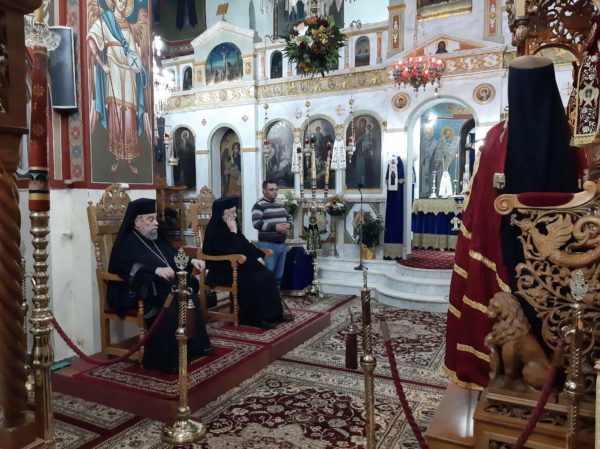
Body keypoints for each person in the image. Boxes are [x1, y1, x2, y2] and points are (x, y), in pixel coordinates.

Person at [444, 55, 580, 389]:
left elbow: (479, 207)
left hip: (508, 247)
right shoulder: (571, 138)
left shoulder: (498, 138)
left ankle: (516, 374)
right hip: (555, 253)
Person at [107, 198, 214, 374]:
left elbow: (171, 255)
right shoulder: (127, 242)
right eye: (151, 219)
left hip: (159, 286)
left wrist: (190, 261)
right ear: (137, 222)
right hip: (136, 292)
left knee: (188, 288)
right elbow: (125, 267)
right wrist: (155, 270)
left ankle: (195, 346)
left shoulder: (154, 237)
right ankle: (167, 358)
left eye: (155, 218)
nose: (156, 223)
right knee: (169, 296)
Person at [202, 196, 293, 329]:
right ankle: (253, 319)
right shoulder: (215, 230)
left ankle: (274, 314)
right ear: (222, 214)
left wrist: (258, 256)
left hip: (238, 265)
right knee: (256, 279)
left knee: (268, 275)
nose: (235, 215)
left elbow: (244, 244)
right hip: (222, 269)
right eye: (232, 213)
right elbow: (231, 250)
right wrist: (233, 232)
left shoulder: (232, 225)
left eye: (235, 212)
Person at [87, 0, 152, 175]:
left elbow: (134, 53)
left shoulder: (129, 26)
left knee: (129, 111)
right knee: (116, 109)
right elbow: (91, 38)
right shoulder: (106, 20)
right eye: (120, 0)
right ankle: (116, 155)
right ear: (114, 2)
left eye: (125, 1)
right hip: (114, 67)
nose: (122, 4)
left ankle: (129, 157)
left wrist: (139, 68)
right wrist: (102, 64)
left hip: (129, 72)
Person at [252, 180, 293, 286]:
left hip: (282, 245)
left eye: (276, 189)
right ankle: (265, 296)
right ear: (264, 191)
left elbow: (290, 218)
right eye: (271, 189)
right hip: (268, 245)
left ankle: (275, 296)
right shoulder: (258, 205)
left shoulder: (280, 205)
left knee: (279, 276)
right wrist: (275, 227)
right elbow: (256, 223)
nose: (274, 191)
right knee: (267, 275)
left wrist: (288, 225)